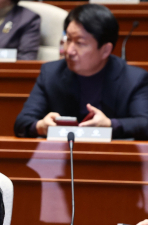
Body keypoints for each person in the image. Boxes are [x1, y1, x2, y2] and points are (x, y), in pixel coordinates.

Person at [14, 4, 148, 140]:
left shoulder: (133, 79)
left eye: (80, 43)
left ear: (105, 50)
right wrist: (41, 126)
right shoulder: (51, 73)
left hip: (111, 157)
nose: (69, 50)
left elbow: (144, 123)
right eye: (68, 39)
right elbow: (22, 122)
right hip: (60, 155)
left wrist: (109, 125)